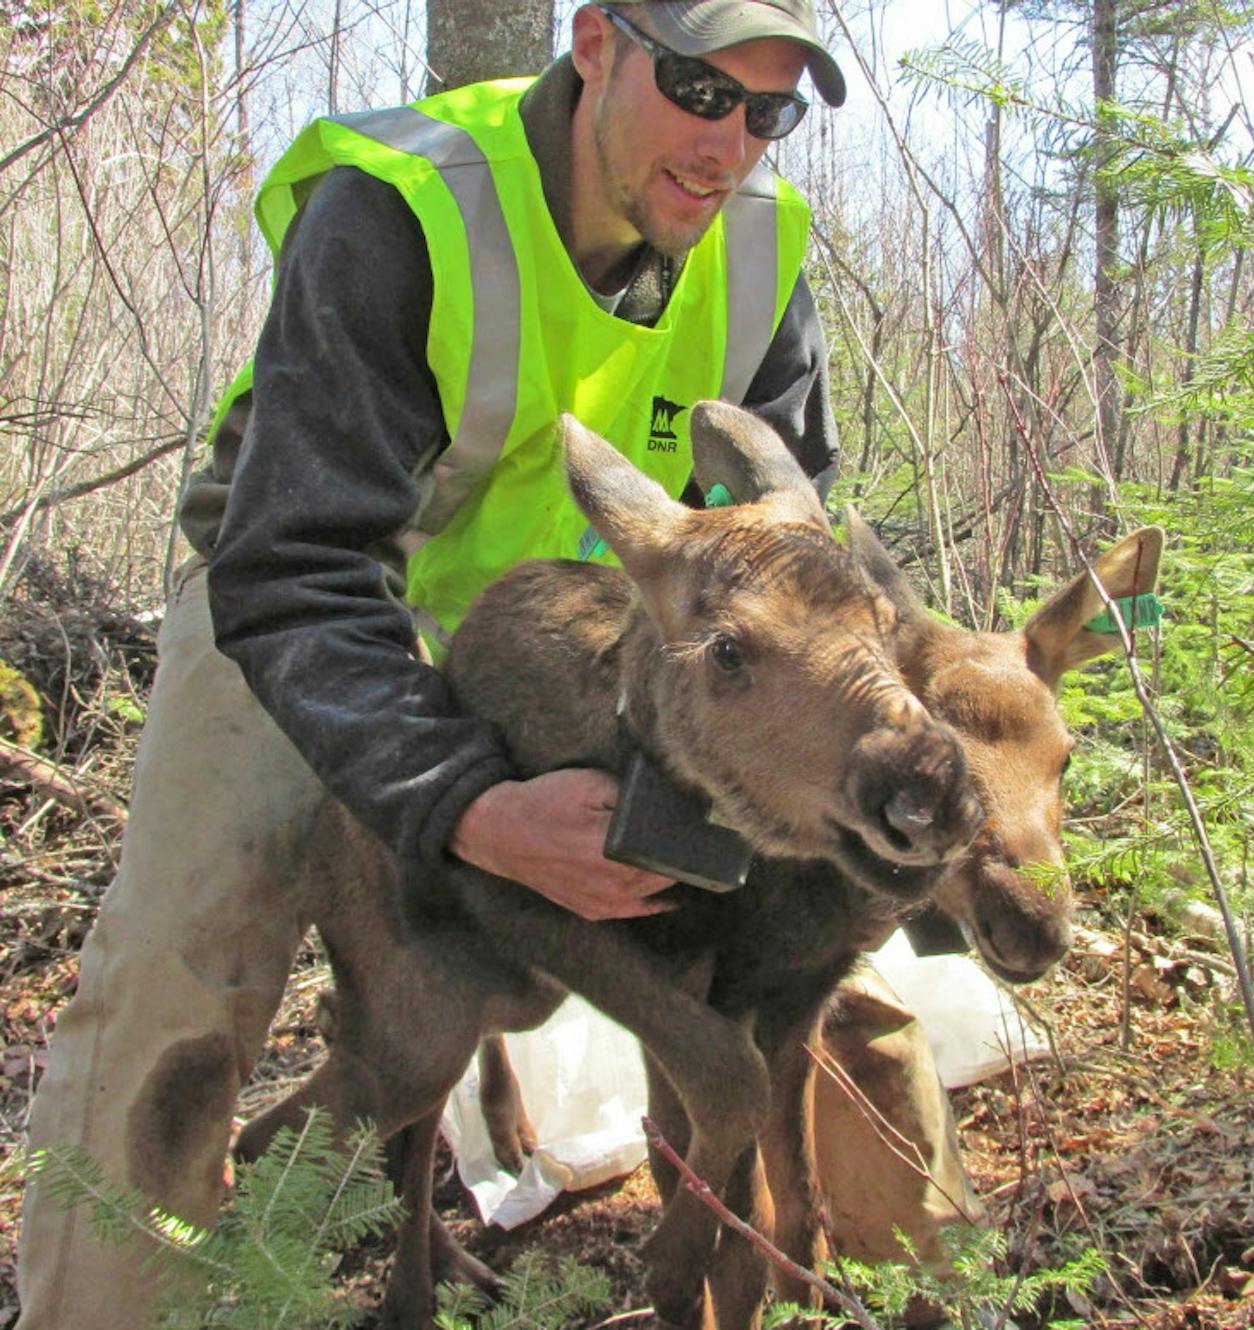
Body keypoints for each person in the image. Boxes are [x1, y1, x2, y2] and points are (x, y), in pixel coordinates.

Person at [16, 4, 845, 1326]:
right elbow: (295, 567)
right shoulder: (400, 211)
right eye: (697, 88)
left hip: (562, 635)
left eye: (770, 112)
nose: (729, 143)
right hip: (319, 601)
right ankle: (96, 1301)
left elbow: (787, 550)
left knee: (836, 892)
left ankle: (921, 1272)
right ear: (595, 46)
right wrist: (471, 803)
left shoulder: (757, 249)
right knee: (184, 961)